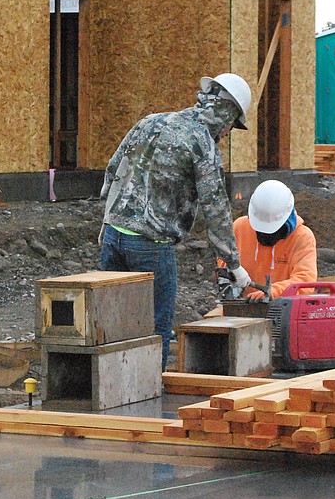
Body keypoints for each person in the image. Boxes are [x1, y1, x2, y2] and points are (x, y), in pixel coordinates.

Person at [100, 73, 253, 367]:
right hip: (152, 247)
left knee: (112, 327)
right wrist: (233, 264)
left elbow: (113, 171)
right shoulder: (202, 144)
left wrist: (107, 222)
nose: (227, 134)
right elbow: (216, 209)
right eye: (231, 127)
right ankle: (147, 396)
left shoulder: (150, 121)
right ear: (227, 114)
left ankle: (110, 394)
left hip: (113, 237)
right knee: (156, 331)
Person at [224, 179, 318, 301]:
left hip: (283, 309)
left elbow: (304, 280)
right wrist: (231, 272)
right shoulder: (240, 227)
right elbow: (223, 259)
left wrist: (273, 292)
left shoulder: (302, 237)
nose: (265, 234)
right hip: (240, 308)